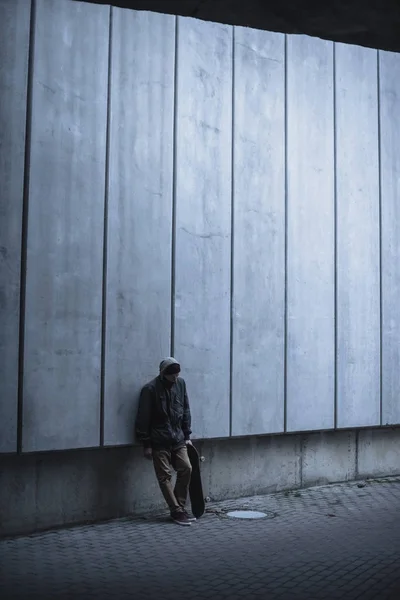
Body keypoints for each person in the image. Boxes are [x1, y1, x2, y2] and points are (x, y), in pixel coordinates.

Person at [135, 357, 195, 526]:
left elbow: (186, 410)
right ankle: (176, 510)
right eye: (172, 376)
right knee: (164, 476)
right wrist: (146, 444)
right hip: (159, 440)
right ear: (163, 374)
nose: (175, 378)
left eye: (177, 375)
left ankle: (180, 507)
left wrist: (187, 436)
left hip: (178, 438)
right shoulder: (150, 389)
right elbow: (143, 418)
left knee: (187, 468)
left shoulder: (181, 384)